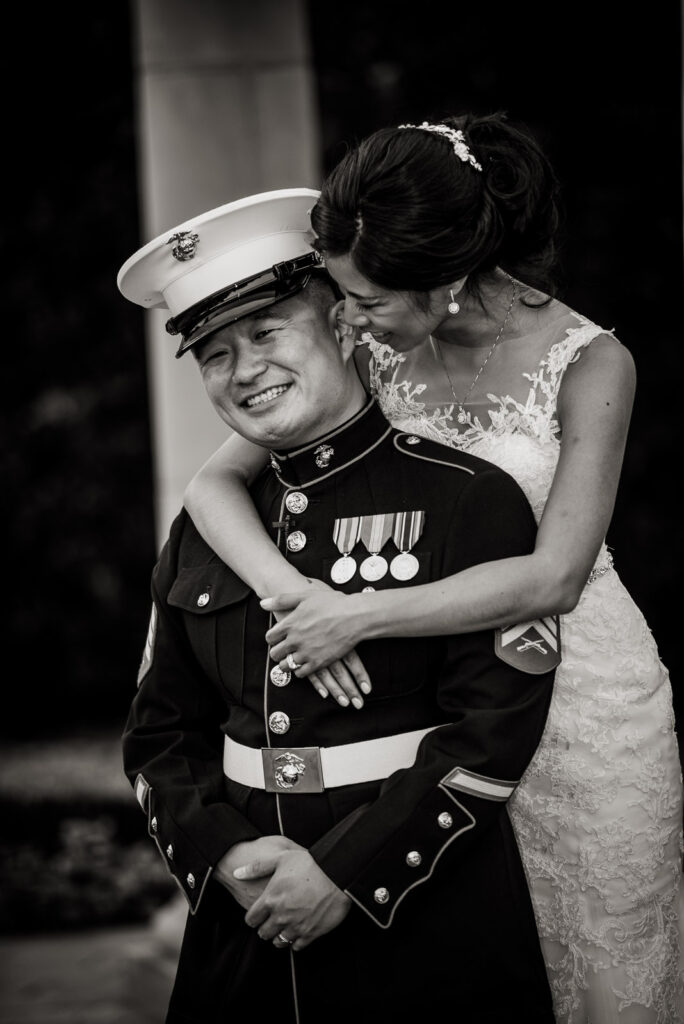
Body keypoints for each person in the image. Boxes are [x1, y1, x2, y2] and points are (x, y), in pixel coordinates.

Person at [183, 115, 684, 1023]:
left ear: (445, 281)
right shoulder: (376, 342)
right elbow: (212, 486)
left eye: (365, 299)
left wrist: (359, 615)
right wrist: (297, 597)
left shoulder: (592, 362)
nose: (346, 317)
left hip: (586, 702)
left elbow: (555, 578)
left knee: (603, 958)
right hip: (438, 705)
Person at [118, 188, 559, 1023]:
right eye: (214, 353)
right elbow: (158, 735)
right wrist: (228, 857)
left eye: (265, 332)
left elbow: (494, 729)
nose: (243, 370)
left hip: (423, 922)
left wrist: (345, 874)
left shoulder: (467, 499)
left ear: (342, 324)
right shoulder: (206, 529)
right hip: (242, 931)